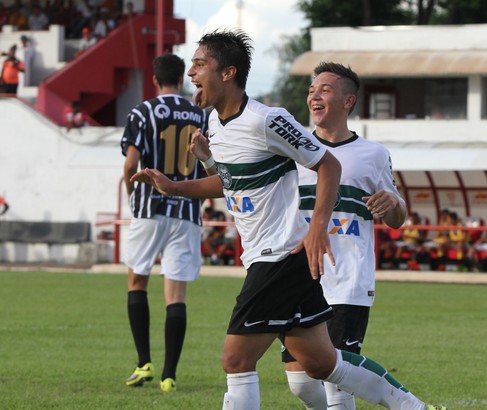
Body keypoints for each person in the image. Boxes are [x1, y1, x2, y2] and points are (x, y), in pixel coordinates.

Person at [132, 29, 445, 410]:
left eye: (199, 64)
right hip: (279, 259)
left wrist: (316, 230)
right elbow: (232, 183)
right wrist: (177, 187)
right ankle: (412, 406)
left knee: (236, 359)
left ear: (228, 73)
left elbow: (327, 164)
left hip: (278, 256)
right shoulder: (214, 123)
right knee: (320, 364)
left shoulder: (268, 119)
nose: (191, 73)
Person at [279, 61, 408, 409]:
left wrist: (392, 202)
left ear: (348, 101)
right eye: (311, 90)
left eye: (324, 89)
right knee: (300, 383)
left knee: (337, 380)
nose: (314, 95)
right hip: (299, 277)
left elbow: (398, 218)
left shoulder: (373, 154)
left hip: (348, 278)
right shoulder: (292, 151)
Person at [121, 53, 207, 393]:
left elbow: (131, 165)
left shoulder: (143, 112)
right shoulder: (201, 114)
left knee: (137, 282)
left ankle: (144, 364)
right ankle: (169, 376)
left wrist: (132, 192)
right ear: (183, 80)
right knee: (176, 294)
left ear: (155, 80)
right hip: (186, 211)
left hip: (150, 209)